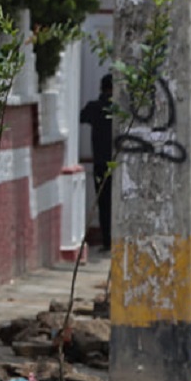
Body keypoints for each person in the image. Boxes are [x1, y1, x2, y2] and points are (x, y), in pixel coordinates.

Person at [79, 74, 114, 252]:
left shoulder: (95, 107)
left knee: (104, 204)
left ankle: (108, 241)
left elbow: (81, 117)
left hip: (100, 163)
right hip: (118, 165)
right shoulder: (120, 109)